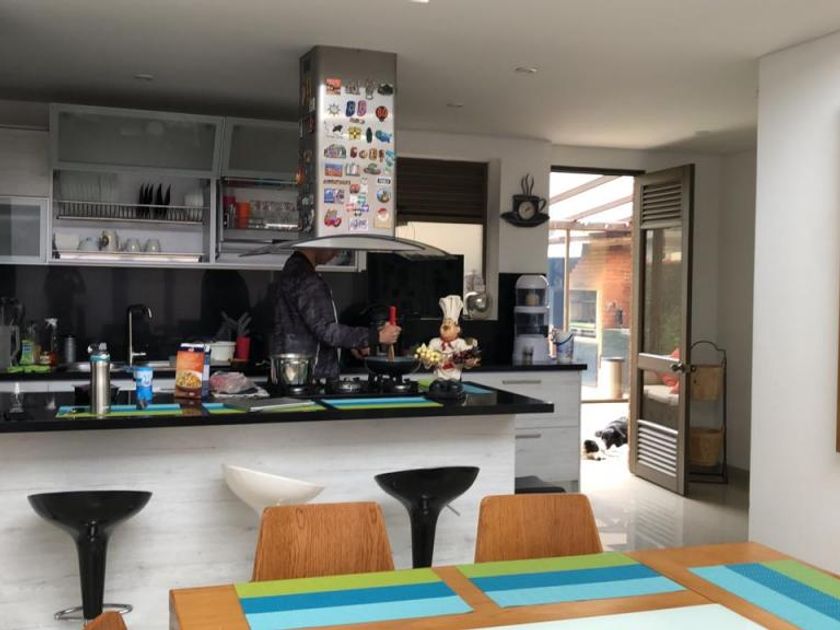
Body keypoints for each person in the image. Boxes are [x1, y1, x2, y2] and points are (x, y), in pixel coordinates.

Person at [272, 248, 400, 380]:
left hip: (292, 374)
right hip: (310, 378)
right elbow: (326, 331)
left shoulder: (293, 269)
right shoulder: (308, 280)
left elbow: (310, 330)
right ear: (320, 243)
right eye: (335, 248)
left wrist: (354, 343)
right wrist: (376, 336)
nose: (337, 253)